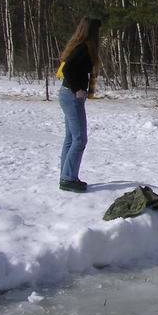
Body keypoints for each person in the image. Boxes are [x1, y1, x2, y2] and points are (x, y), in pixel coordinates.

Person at [58, 17, 101, 193]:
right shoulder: (83, 48)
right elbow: (67, 69)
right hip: (71, 95)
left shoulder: (79, 46)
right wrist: (77, 89)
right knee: (80, 139)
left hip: (68, 94)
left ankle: (66, 176)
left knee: (71, 138)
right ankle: (68, 178)